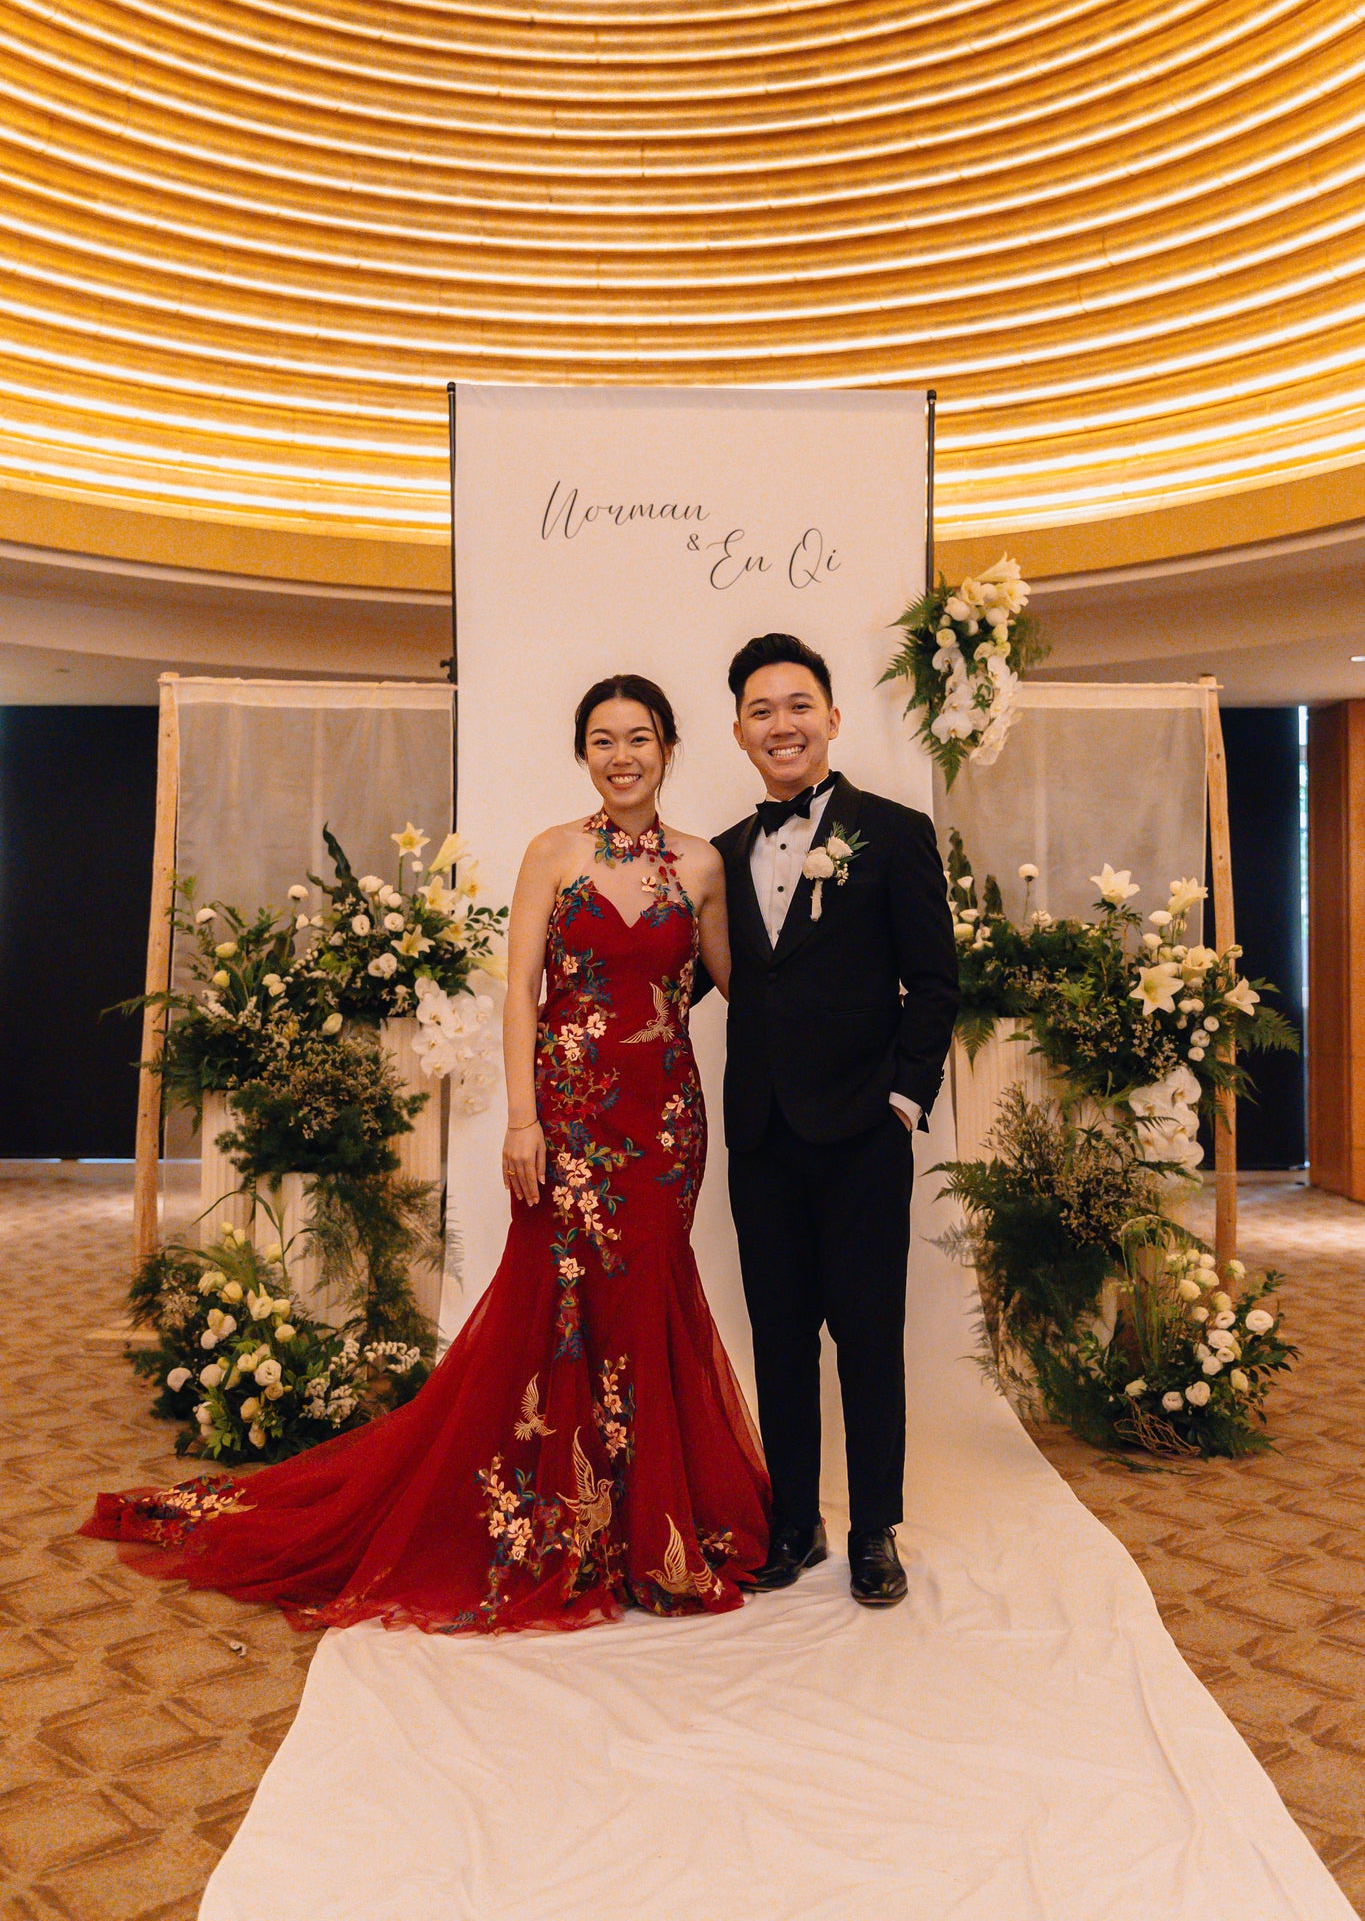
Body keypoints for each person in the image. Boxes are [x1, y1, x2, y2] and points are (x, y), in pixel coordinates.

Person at [82, 675, 769, 1634]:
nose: (623, 756)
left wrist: (848, 1000)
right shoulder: (551, 853)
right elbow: (520, 994)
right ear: (584, 753)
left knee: (646, 1296)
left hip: (663, 1128)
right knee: (562, 1306)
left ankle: (646, 1526)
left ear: (668, 749)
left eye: (641, 738)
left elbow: (742, 985)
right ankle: (564, 1525)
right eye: (604, 740)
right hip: (567, 1120)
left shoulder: (700, 865)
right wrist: (522, 1121)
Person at [709, 633, 958, 1608]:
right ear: (739, 730)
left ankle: (874, 1529)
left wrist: (903, 1099)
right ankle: (794, 1522)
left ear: (832, 717)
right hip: (760, 1135)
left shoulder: (893, 832)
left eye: (798, 703)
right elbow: (687, 977)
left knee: (866, 1333)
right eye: (762, 709)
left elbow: (935, 981)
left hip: (861, 1131)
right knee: (778, 1334)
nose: (783, 722)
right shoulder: (724, 854)